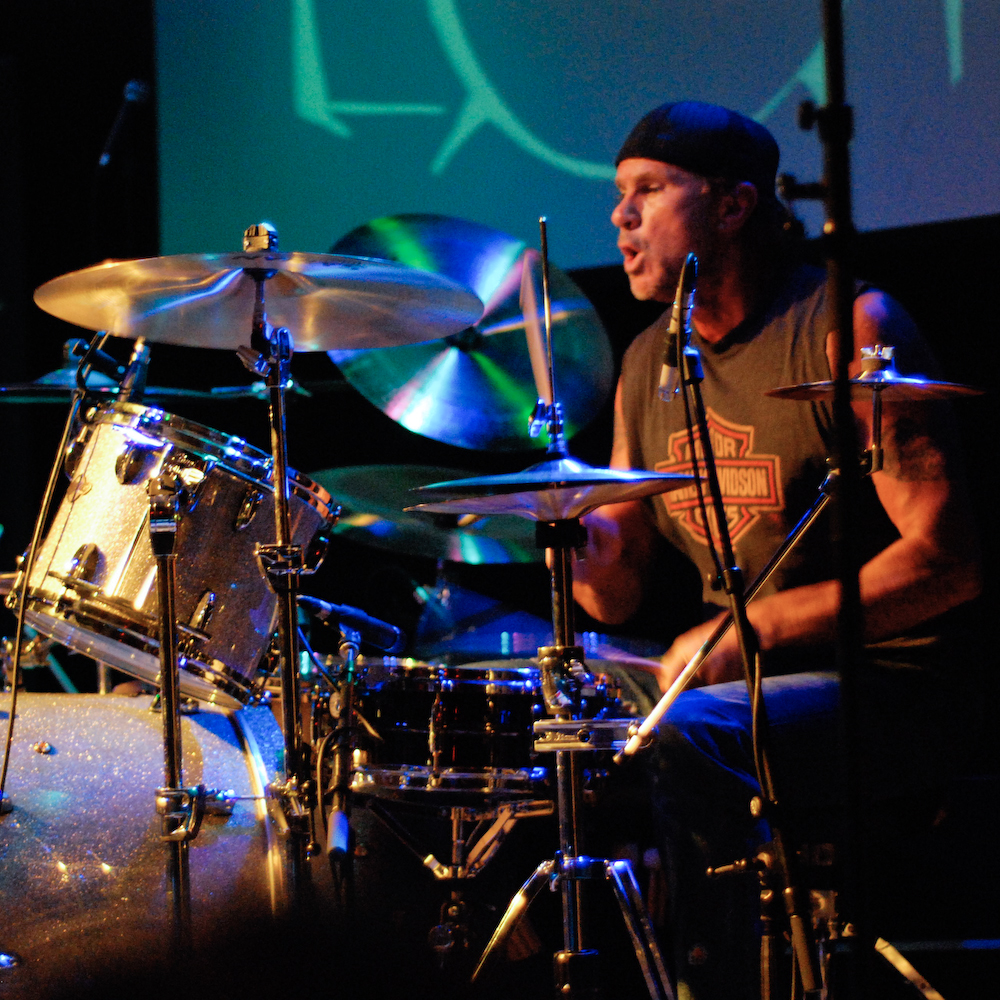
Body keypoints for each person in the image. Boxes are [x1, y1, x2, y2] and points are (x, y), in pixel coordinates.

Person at [573, 101, 983, 998]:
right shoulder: (647, 360)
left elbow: (949, 561)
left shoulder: (845, 323)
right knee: (552, 709)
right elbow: (616, 592)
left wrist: (754, 629)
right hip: (736, 681)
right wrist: (568, 531)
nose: (620, 217)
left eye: (649, 190)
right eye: (619, 194)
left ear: (733, 206)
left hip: (885, 687)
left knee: (688, 730)